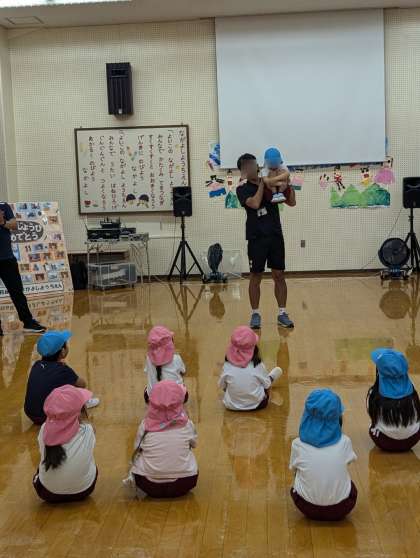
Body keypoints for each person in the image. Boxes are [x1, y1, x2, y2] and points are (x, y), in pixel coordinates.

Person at [236, 153, 296, 330]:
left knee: (279, 275)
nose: (251, 168)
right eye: (246, 167)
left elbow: (292, 202)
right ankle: (255, 314)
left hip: (275, 236)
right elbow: (255, 204)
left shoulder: (273, 180)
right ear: (243, 172)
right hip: (256, 238)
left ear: (258, 165)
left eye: (253, 164)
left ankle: (282, 313)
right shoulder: (242, 189)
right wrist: (264, 182)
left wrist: (287, 184)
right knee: (256, 276)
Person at [290, 389, 357, 521]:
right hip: (342, 508)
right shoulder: (345, 442)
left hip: (306, 507)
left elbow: (294, 469)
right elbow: (347, 463)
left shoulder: (297, 444)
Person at [130, 380, 198, 498]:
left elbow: (137, 448)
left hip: (148, 484)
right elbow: (194, 444)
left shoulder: (145, 425)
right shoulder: (187, 424)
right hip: (184, 483)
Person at [33, 384, 98, 503]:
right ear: (79, 412)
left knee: (41, 467)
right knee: (91, 464)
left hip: (47, 493)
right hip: (83, 491)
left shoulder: (43, 430)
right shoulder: (87, 431)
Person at [24, 330, 99, 425]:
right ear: (63, 352)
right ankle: (83, 407)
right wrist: (67, 368)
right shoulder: (63, 370)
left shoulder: (36, 365)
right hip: (49, 417)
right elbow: (82, 384)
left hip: (31, 414)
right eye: (66, 345)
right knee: (75, 390)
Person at [0, 202, 45, 334]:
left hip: (7, 259)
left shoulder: (3, 206)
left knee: (17, 292)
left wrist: (2, 222)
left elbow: (14, 225)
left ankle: (28, 322)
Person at [219, 325, 283, 411]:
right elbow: (267, 385)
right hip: (258, 405)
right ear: (254, 347)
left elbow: (223, 386)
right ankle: (271, 377)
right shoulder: (257, 365)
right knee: (266, 382)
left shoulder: (227, 365)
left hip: (231, 405)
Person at [367, 348, 420, 452]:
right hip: (413, 439)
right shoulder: (412, 387)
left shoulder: (373, 393)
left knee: (372, 424)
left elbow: (372, 414)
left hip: (385, 442)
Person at [144, 325, 187, 403]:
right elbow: (183, 372)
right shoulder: (176, 358)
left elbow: (147, 372)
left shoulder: (148, 358)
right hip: (175, 399)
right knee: (182, 385)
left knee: (146, 389)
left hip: (153, 400)